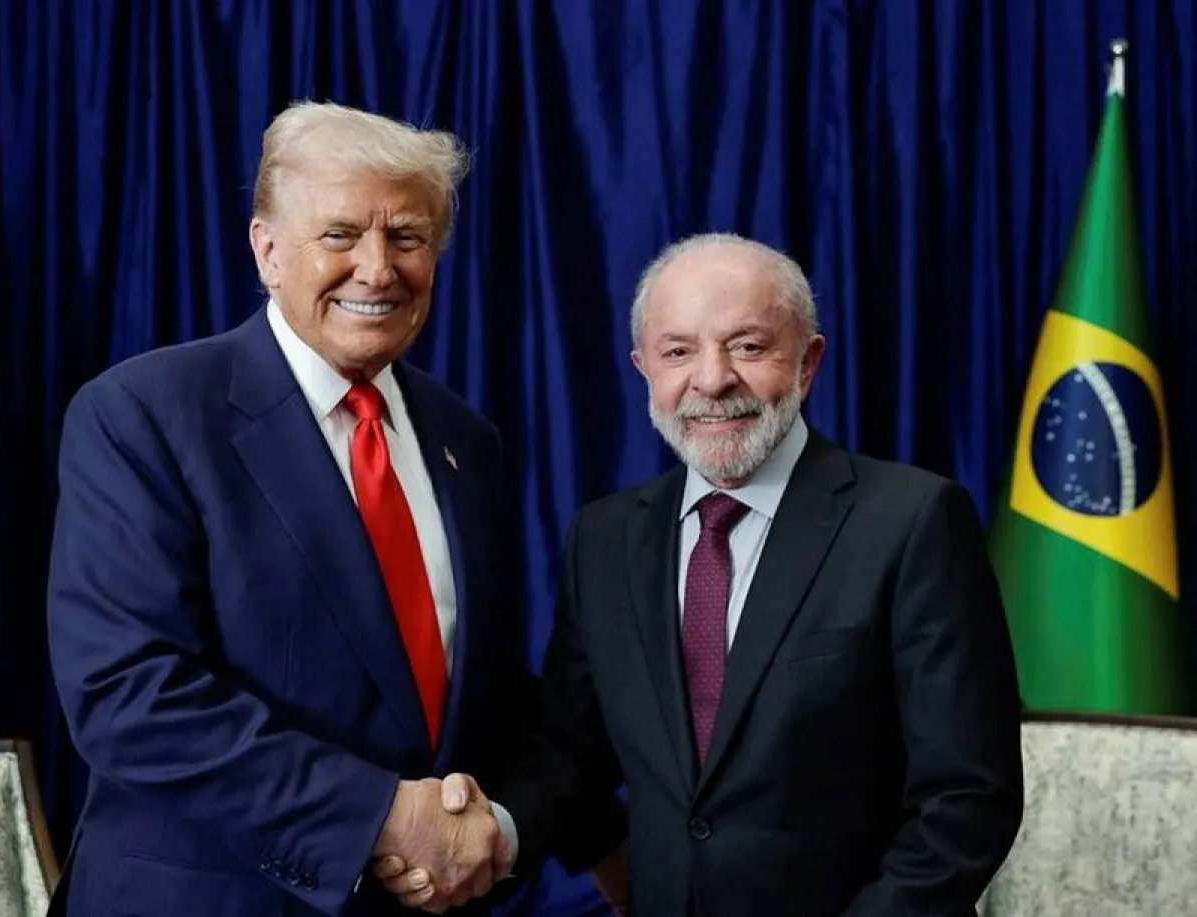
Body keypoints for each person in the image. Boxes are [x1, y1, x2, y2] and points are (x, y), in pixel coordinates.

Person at [45, 101, 616, 916]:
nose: (378, 269)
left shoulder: (463, 438)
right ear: (267, 250)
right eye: (341, 234)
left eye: (408, 237)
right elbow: (129, 690)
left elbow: (469, 690)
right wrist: (381, 815)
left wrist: (595, 835)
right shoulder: (144, 413)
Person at [380, 233, 1025, 915]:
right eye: (678, 351)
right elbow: (569, 759)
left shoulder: (913, 521)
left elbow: (966, 799)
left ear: (808, 362)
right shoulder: (604, 540)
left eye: (747, 346)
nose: (712, 379)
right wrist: (496, 835)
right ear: (644, 368)